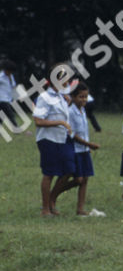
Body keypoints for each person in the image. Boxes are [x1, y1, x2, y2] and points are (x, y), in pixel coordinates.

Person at [50, 84, 103, 217]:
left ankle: (80, 209)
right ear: (73, 97)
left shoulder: (83, 110)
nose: (83, 100)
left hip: (84, 149)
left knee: (85, 179)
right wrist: (88, 144)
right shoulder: (71, 112)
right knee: (77, 179)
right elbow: (72, 134)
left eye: (85, 97)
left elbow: (83, 131)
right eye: (80, 97)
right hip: (75, 149)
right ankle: (53, 196)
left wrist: (87, 146)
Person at [32, 69, 75, 218]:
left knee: (69, 170)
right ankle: (45, 209)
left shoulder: (62, 97)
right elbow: (38, 121)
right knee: (49, 173)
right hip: (48, 140)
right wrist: (61, 122)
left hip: (61, 139)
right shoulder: (44, 97)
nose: (68, 82)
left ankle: (51, 200)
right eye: (66, 79)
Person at [0, 60, 17, 126]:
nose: (10, 72)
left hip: (7, 99)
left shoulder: (11, 76)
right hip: (2, 99)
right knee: (10, 115)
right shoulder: (1, 77)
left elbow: (13, 85)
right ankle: (16, 128)